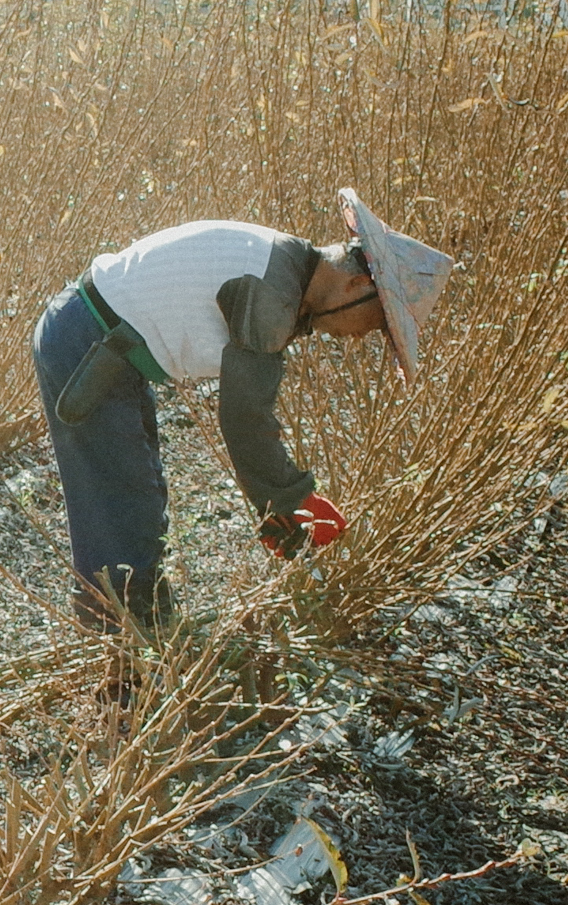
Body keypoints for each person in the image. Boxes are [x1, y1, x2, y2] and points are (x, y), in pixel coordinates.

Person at [29, 188, 454, 628]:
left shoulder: (287, 266)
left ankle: (143, 632)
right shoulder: (274, 291)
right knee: (117, 503)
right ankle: (123, 649)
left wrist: (280, 500)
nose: (361, 336)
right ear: (357, 284)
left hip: (103, 342)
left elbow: (249, 414)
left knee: (140, 493)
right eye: (377, 322)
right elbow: (245, 418)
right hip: (85, 341)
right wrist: (290, 501)